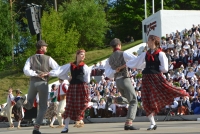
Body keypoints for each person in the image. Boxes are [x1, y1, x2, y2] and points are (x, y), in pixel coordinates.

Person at [119, 35, 189, 130]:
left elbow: (165, 68)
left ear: (154, 41)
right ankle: (152, 123)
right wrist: (123, 66)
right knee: (146, 100)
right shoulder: (146, 54)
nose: (147, 42)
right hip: (146, 78)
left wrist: (154, 69)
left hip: (156, 78)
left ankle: (184, 93)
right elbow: (135, 61)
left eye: (149, 40)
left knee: (166, 90)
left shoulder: (160, 54)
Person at [49, 49, 90, 133]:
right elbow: (60, 72)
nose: (83, 56)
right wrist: (68, 79)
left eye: (84, 55)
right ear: (77, 54)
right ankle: (66, 127)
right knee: (69, 106)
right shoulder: (70, 65)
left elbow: (87, 79)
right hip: (72, 87)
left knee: (83, 104)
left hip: (81, 87)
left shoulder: (85, 67)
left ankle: (79, 119)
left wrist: (81, 83)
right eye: (82, 54)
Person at [23, 40, 59, 134]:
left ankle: (23, 101)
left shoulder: (30, 58)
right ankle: (36, 129)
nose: (46, 47)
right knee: (43, 107)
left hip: (33, 83)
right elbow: (58, 69)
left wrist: (35, 74)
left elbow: (25, 70)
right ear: (41, 47)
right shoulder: (48, 58)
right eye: (45, 46)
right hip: (43, 84)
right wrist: (49, 73)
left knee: (29, 104)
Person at [104, 38, 139, 130]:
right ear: (119, 45)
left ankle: (113, 100)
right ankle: (129, 123)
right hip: (125, 79)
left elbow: (108, 73)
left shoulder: (109, 59)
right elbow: (136, 60)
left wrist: (116, 69)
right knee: (134, 100)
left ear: (112, 47)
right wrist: (125, 65)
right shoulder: (124, 53)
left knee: (127, 99)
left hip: (117, 81)